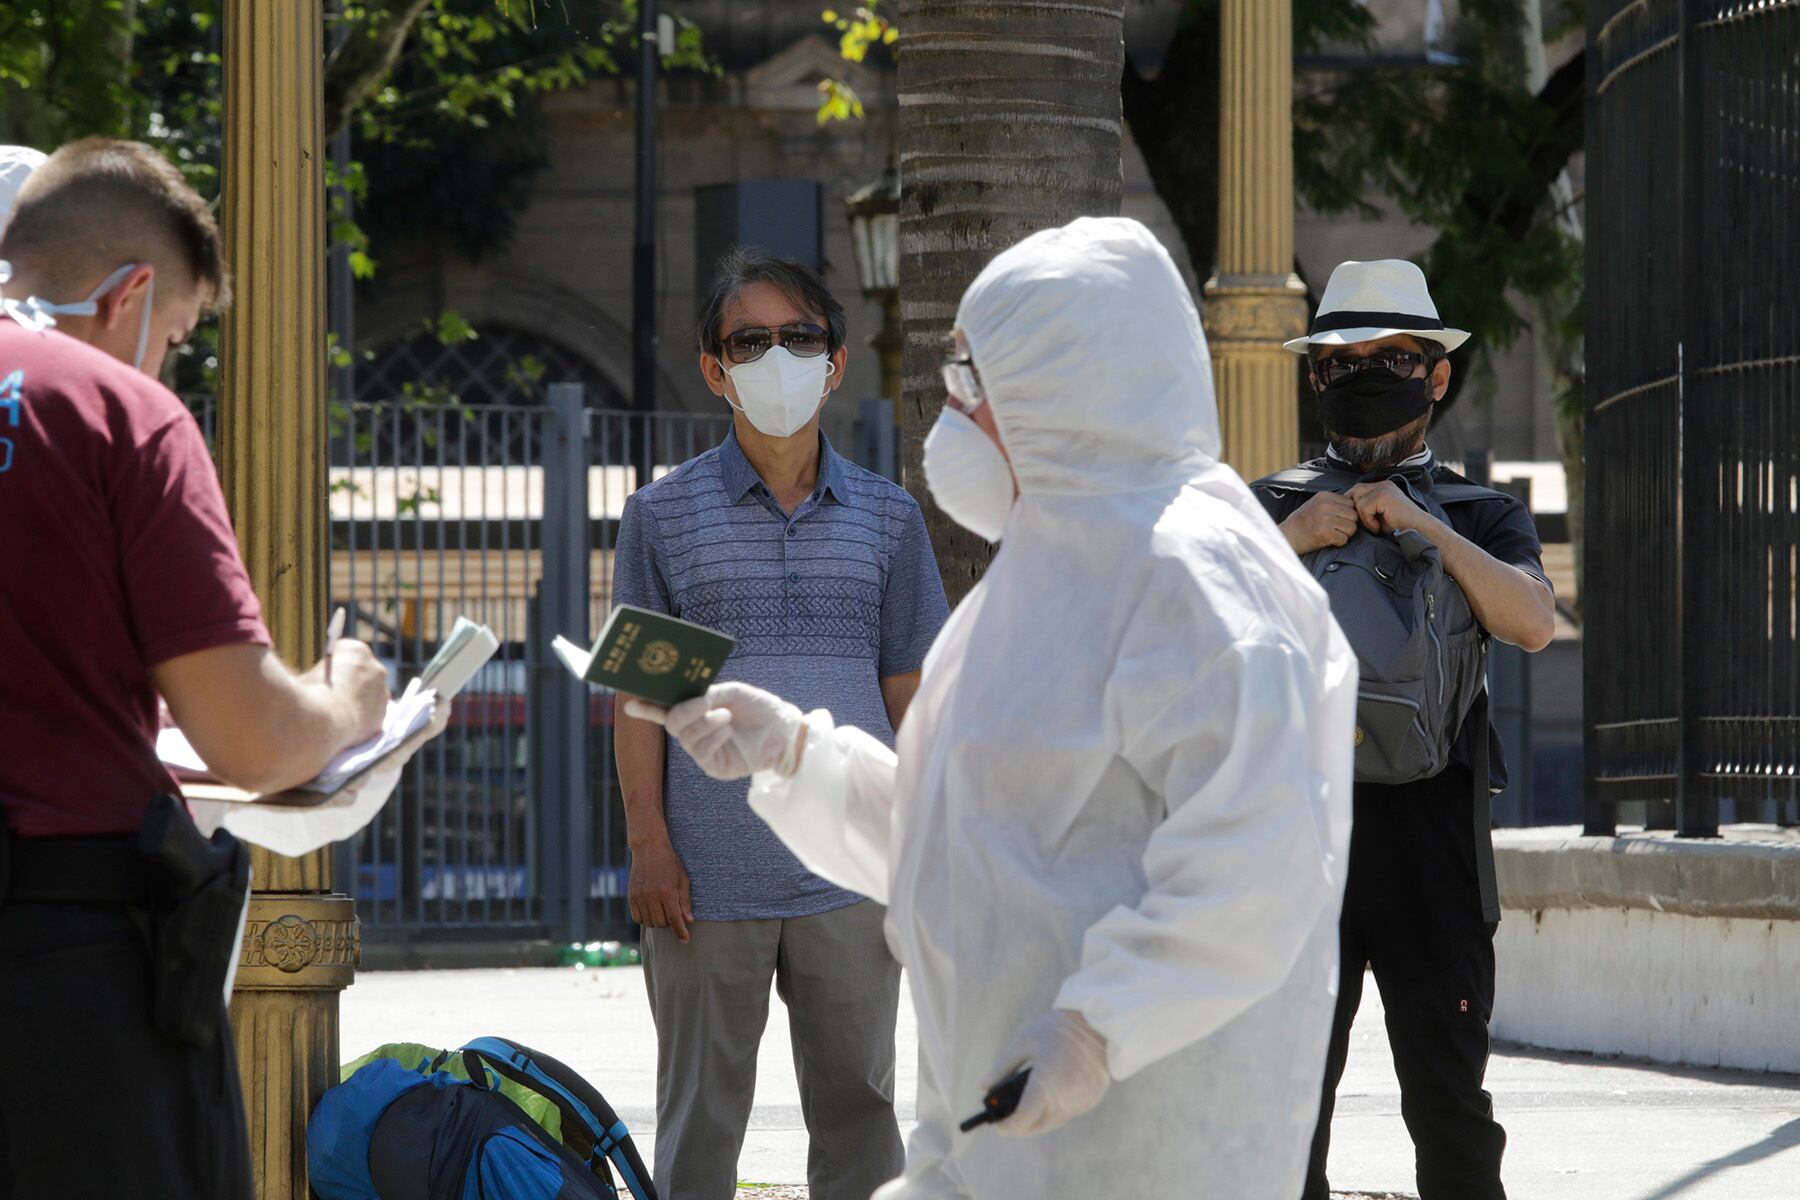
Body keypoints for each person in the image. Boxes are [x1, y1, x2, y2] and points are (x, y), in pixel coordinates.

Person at [632, 217, 1358, 1199]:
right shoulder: (1046, 568)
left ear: (1063, 385)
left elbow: (1262, 856)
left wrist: (1096, 1027)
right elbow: (963, 836)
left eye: (975, 381)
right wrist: (801, 760)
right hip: (1003, 1137)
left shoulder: (1194, 574)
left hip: (1140, 1147)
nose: (953, 412)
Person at [0, 138, 395, 1199]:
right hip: (62, 967)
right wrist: (348, 701)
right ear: (128, 296)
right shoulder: (118, 413)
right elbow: (252, 740)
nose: (165, 364)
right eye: (173, 337)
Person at [610, 248, 949, 1200]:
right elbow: (639, 699)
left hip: (852, 866)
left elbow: (910, 696)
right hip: (704, 876)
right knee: (700, 1119)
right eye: (749, 341)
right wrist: (649, 846)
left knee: (862, 1112)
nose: (777, 358)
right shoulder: (661, 515)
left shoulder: (889, 518)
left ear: (836, 361)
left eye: (799, 337)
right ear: (715, 370)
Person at [1250, 259, 1556, 1200]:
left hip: (1435, 841)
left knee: (1448, 1099)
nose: (1368, 375)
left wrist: (1431, 532)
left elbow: (1534, 623)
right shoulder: (1261, 508)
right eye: (1346, 360)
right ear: (1316, 377)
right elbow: (1176, 631)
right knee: (1284, 1109)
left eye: (1395, 357)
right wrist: (1290, 540)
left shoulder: (1483, 512)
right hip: (1293, 841)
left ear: (1438, 375)